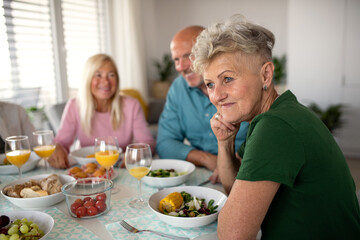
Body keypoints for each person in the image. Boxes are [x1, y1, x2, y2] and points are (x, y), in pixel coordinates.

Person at [191, 14, 360, 239]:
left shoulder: (276, 127)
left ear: (266, 75)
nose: (216, 96)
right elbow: (236, 190)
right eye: (210, 84)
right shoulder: (280, 111)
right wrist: (225, 142)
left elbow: (232, 235)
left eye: (228, 79)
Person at [156, 26, 249, 182]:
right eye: (176, 60)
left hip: (245, 173)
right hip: (202, 174)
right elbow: (165, 143)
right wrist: (207, 160)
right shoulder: (178, 88)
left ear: (211, 52)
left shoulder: (241, 85)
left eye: (188, 56)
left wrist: (230, 165)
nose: (180, 67)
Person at [48, 53, 156, 169]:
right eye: (98, 75)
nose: (105, 82)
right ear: (88, 79)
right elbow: (61, 143)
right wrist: (56, 149)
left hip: (121, 170)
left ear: (117, 80)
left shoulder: (131, 105)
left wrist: (140, 150)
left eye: (111, 75)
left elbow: (147, 143)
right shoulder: (74, 105)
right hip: (87, 171)